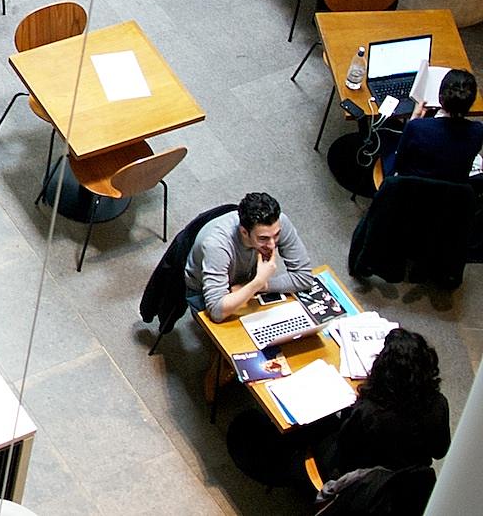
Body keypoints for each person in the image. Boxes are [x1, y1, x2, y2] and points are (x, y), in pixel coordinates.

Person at [314, 328, 450, 482]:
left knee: (321, 428)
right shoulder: (439, 403)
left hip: (364, 480)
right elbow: (440, 451)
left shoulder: (370, 410)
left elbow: (345, 447)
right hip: (411, 480)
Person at [185, 191, 314, 321]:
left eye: (276, 235)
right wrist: (257, 282)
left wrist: (258, 285)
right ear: (244, 232)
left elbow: (304, 277)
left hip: (246, 278)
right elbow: (217, 311)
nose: (272, 244)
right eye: (263, 238)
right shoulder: (217, 245)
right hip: (203, 291)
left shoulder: (279, 223)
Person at [386, 70, 483, 183]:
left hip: (412, 188)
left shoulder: (417, 127)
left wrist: (413, 119)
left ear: (440, 98)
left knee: (386, 131)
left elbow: (399, 164)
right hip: (450, 193)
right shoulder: (477, 131)